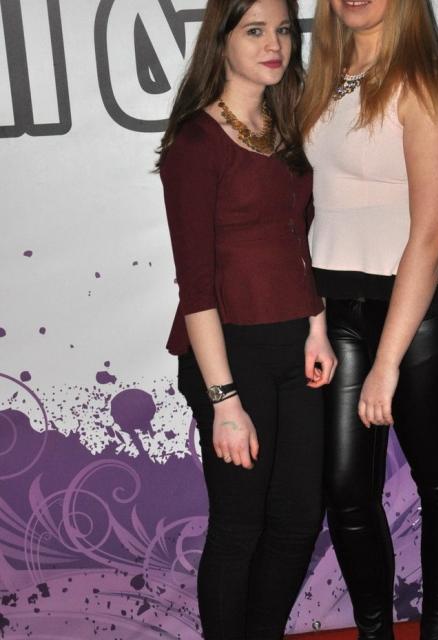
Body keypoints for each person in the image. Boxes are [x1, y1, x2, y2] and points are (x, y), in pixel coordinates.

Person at [299, 1, 438, 639]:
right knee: (344, 490)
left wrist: (386, 364)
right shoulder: (319, 80)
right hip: (335, 306)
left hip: (422, 311)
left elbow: (431, 234)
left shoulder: (424, 78)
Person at [156, 1, 337, 638]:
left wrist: (316, 326)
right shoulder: (196, 143)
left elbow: (298, 241)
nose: (274, 44)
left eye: (283, 30)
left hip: (296, 344)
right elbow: (195, 285)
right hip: (228, 354)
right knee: (240, 527)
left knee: (298, 519)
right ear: (222, 41)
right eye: (255, 31)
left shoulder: (286, 129)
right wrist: (224, 400)